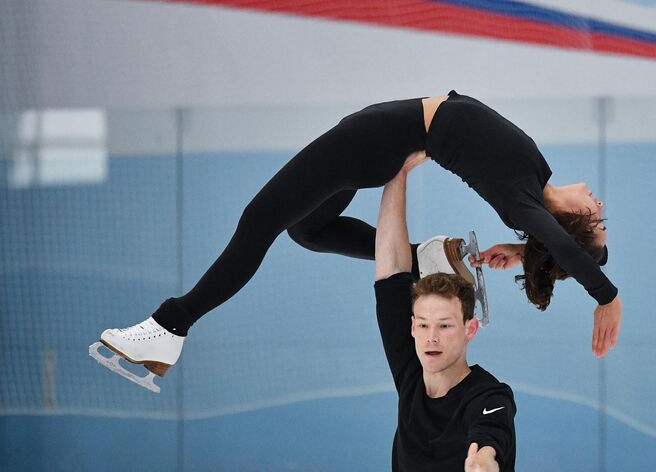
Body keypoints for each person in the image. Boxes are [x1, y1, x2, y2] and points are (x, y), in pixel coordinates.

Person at [92, 90, 621, 391]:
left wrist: (607, 295)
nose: (599, 206)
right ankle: (426, 258)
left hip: (376, 142)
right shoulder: (533, 181)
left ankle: (170, 325)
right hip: (379, 136)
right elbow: (555, 243)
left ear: (569, 227)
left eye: (594, 220)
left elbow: (562, 246)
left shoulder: (521, 200)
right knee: (307, 229)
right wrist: (531, 251)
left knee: (259, 220)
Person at [374, 153, 545, 472]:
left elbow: (489, 439)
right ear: (412, 328)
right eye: (423, 325)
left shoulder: (489, 395)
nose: (431, 337)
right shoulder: (412, 371)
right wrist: (398, 171)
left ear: (470, 329)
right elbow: (390, 266)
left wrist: (482, 469)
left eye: (445, 325)